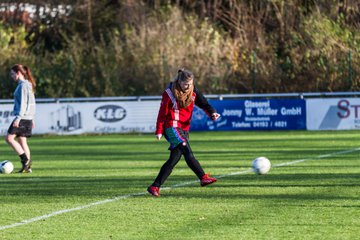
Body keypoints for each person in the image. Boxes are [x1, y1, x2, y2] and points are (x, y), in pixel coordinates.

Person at [147, 68, 220, 197]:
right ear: (179, 82)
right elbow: (162, 114)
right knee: (187, 150)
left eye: (190, 84)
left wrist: (212, 113)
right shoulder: (169, 93)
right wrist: (158, 131)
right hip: (171, 127)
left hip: (184, 129)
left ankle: (155, 186)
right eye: (186, 84)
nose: (188, 86)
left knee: (173, 159)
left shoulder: (193, 91)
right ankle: (203, 177)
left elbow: (204, 104)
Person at [5, 64, 36, 173]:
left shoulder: (23, 85)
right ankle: (28, 168)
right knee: (22, 141)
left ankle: (25, 161)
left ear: (18, 73)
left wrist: (18, 118)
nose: (11, 76)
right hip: (27, 117)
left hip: (22, 117)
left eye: (12, 74)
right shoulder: (29, 84)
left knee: (9, 138)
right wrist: (31, 117)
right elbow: (31, 103)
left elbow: (23, 103)